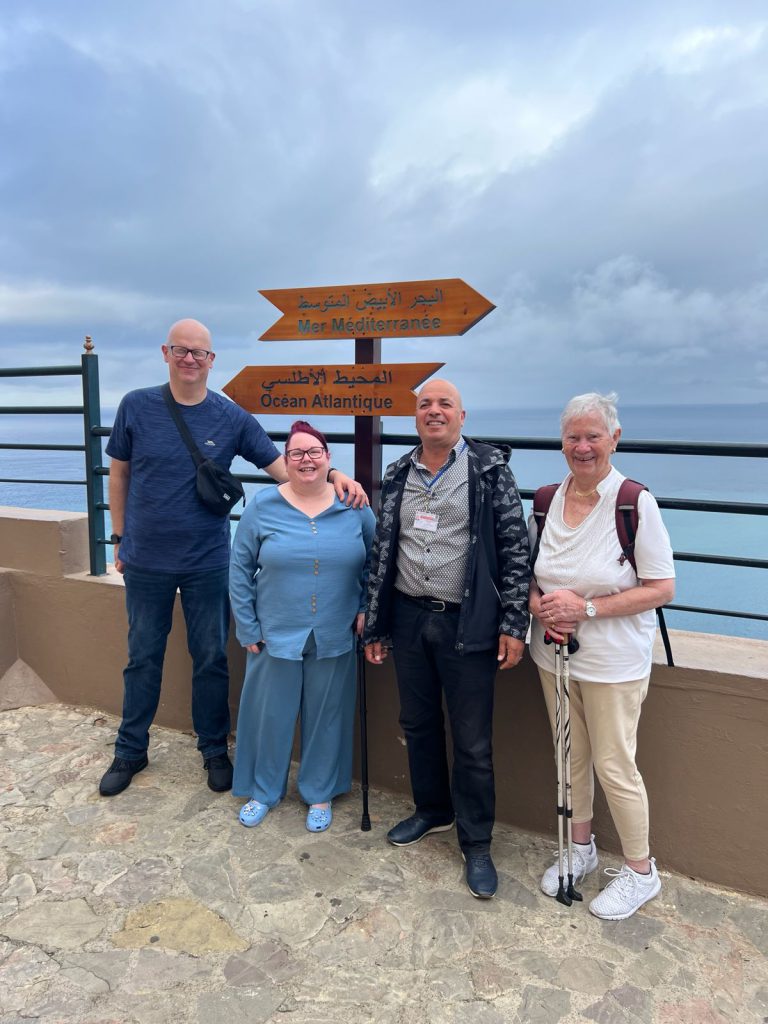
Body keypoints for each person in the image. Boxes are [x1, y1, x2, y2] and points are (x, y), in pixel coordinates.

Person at [99, 320, 365, 798]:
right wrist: (118, 536)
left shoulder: (231, 417)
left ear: (211, 360)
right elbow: (118, 474)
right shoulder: (136, 406)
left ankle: (213, 749)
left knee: (210, 659)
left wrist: (335, 472)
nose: (190, 360)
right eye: (181, 350)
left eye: (200, 353)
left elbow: (289, 468)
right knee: (142, 657)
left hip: (207, 560)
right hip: (144, 559)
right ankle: (130, 749)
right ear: (166, 353)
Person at [363, 379, 531, 898]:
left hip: (468, 623)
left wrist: (514, 624)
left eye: (444, 405)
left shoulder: (489, 470)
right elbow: (382, 552)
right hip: (409, 618)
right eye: (425, 405)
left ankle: (476, 841)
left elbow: (514, 549)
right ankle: (432, 810)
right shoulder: (397, 473)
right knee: (416, 723)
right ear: (415, 417)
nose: (434, 412)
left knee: (473, 741)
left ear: (462, 416)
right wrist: (375, 622)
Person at [528, 391, 675, 920]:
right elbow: (531, 583)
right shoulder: (545, 501)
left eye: (594, 436)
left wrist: (584, 608)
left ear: (614, 438)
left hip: (613, 665)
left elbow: (661, 588)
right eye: (574, 437)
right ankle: (581, 849)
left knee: (616, 765)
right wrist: (545, 608)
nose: (583, 446)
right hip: (553, 657)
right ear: (562, 442)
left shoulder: (634, 503)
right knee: (570, 758)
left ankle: (641, 873)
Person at [229, 420, 375, 831]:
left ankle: (319, 793)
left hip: (335, 630)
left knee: (327, 716)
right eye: (296, 453)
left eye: (314, 452)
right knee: (268, 715)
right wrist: (247, 626)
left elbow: (374, 564)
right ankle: (263, 789)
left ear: (328, 459)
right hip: (273, 631)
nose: (305, 459)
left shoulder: (354, 505)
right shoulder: (263, 505)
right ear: (286, 461)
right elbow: (239, 567)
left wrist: (366, 608)